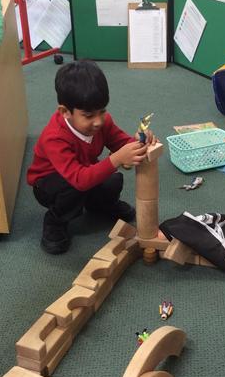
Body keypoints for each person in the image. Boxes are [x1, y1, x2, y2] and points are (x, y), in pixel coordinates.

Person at [27, 60, 155, 254]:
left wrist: (138, 142)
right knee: (73, 188)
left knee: (112, 181)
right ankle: (55, 220)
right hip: (50, 184)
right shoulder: (54, 137)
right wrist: (117, 159)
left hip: (84, 172)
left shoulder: (103, 122)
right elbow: (79, 179)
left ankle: (99, 206)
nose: (98, 121)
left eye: (102, 111)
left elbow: (121, 143)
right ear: (65, 112)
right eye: (88, 115)